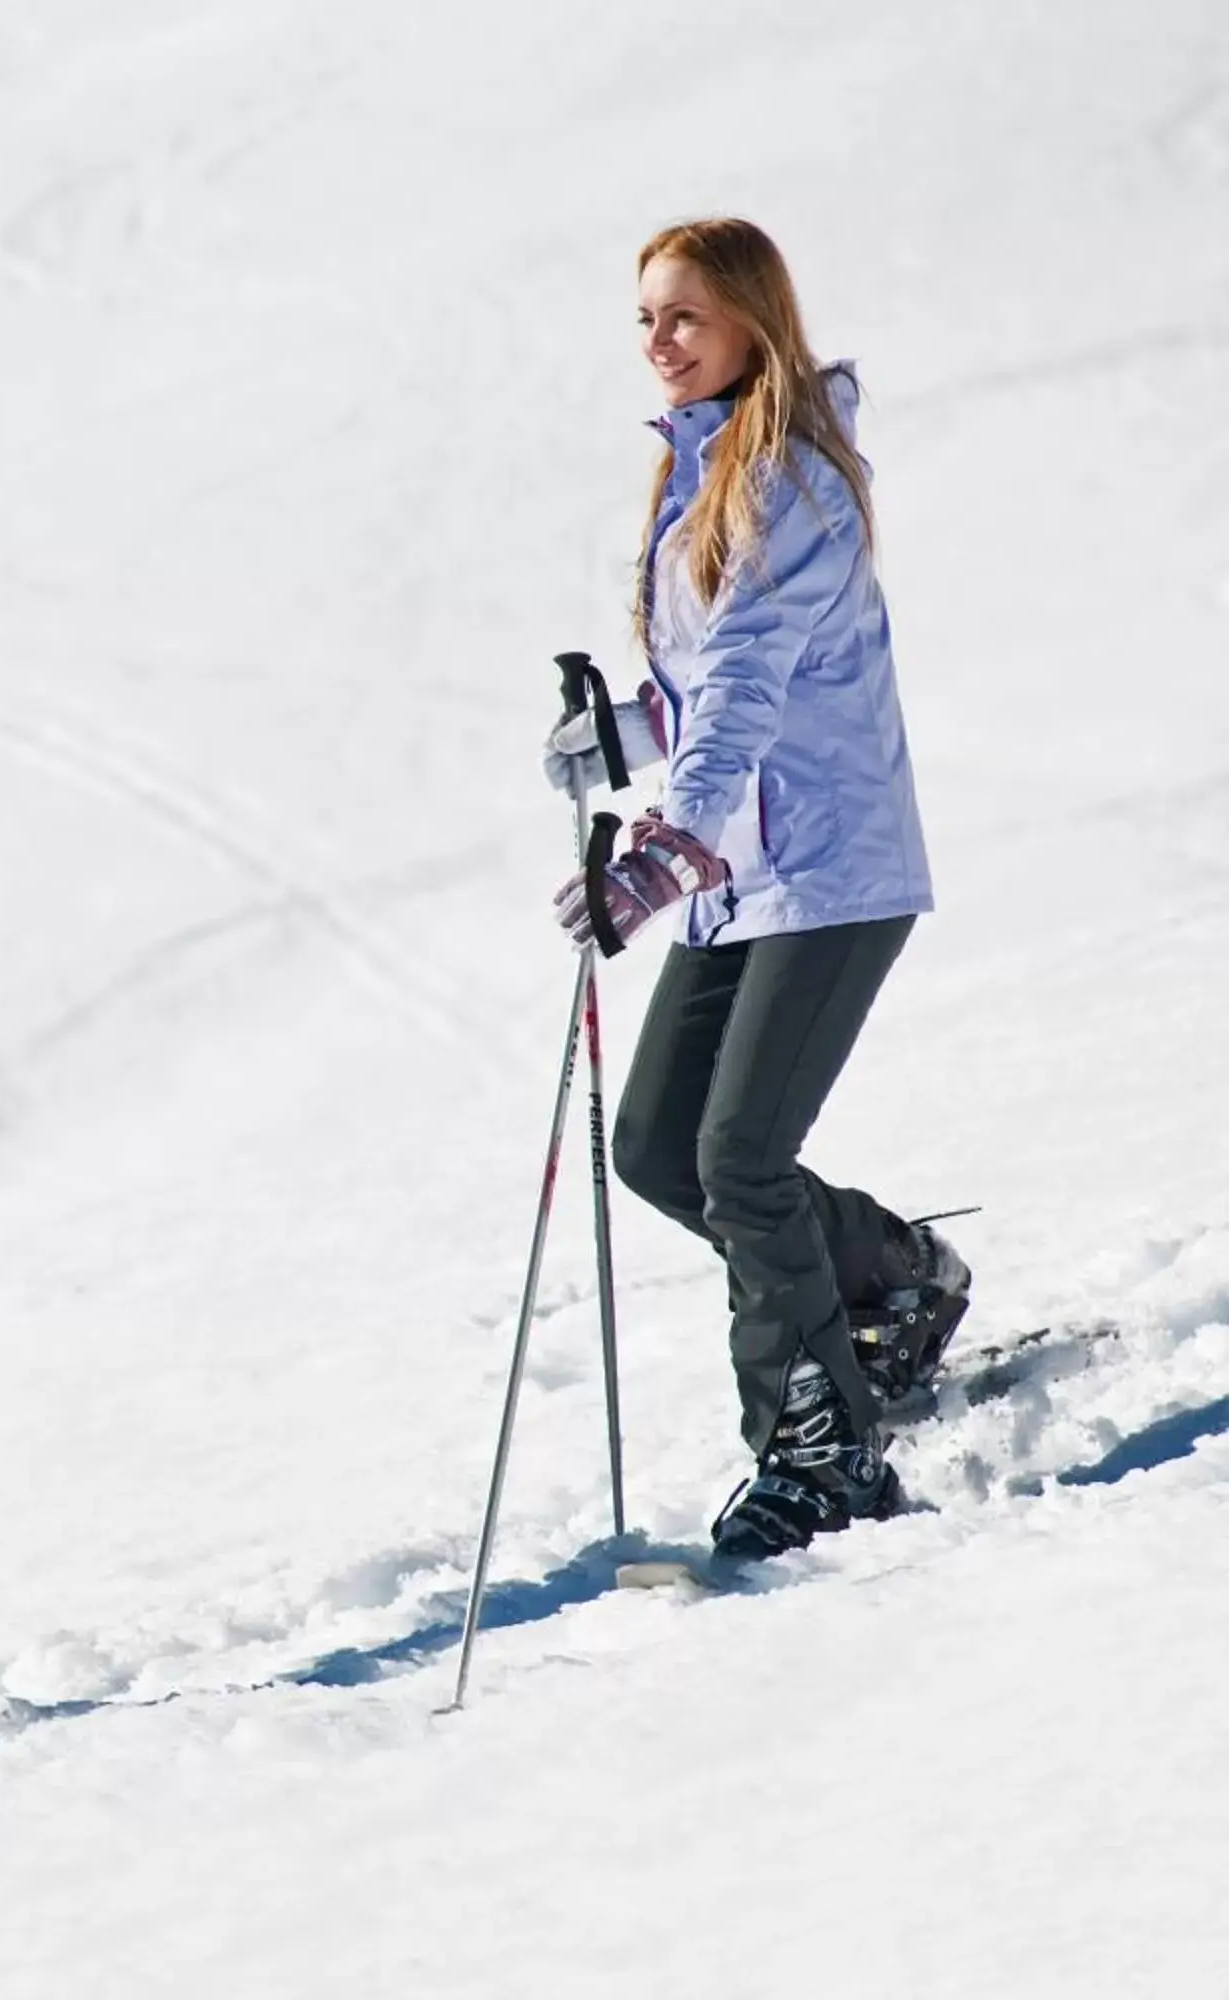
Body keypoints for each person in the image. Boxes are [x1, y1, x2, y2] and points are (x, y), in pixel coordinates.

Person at [540, 217, 968, 1564]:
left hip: (830, 868)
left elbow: (745, 684)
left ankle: (821, 1452)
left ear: (748, 321)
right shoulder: (704, 472)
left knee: (739, 1157)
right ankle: (887, 1280)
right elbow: (705, 687)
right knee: (662, 1145)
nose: (660, 343)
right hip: (748, 873)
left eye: (684, 317)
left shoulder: (787, 479)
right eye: (648, 321)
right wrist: (623, 734)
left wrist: (670, 841)